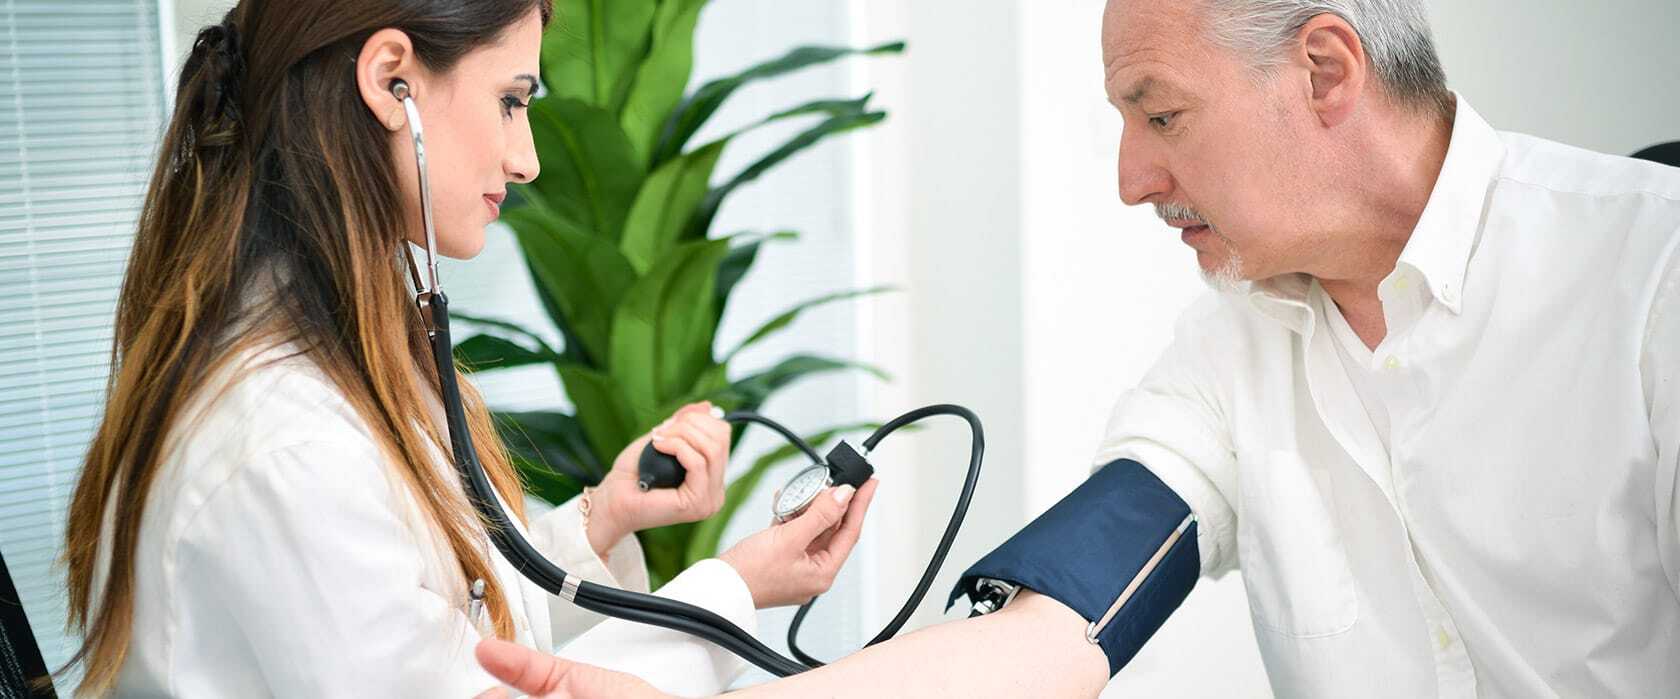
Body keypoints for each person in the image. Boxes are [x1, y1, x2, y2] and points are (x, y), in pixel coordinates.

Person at [469, 0, 1680, 696]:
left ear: (1325, 71)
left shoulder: (1650, 274)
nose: (1132, 178)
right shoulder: (1233, 349)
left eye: (1163, 115)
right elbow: (1055, 629)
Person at [57, 1, 878, 696]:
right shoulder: (285, 443)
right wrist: (737, 589)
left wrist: (603, 518)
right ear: (391, 80)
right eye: (511, 101)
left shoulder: (323, 356)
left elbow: (452, 635)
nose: (527, 161)